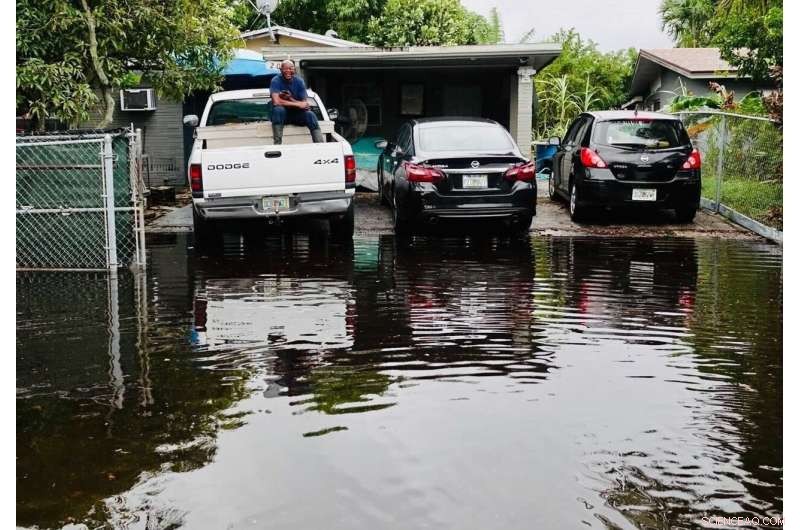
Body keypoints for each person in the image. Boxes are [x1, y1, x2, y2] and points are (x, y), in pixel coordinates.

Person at [270, 60, 324, 144]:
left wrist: (290, 98)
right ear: (281, 70)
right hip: (281, 117)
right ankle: (277, 144)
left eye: (291, 68)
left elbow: (304, 105)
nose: (288, 71)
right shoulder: (276, 80)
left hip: (296, 115)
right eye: (285, 69)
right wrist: (297, 104)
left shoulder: (299, 81)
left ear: (294, 70)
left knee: (310, 114)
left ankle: (320, 144)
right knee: (279, 110)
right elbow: (276, 102)